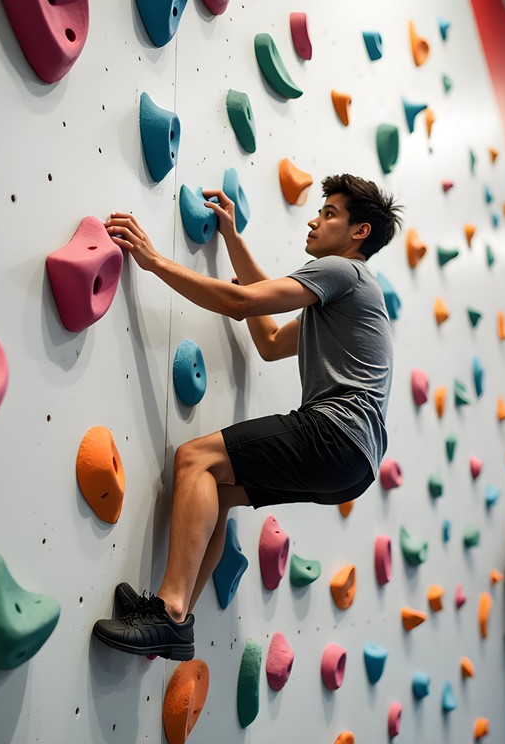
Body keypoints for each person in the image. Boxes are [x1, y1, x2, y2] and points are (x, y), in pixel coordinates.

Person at [91, 174, 403, 660]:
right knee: (214, 488)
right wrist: (233, 242)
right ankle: (174, 620)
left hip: (337, 433)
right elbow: (271, 340)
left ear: (359, 232)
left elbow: (241, 303)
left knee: (195, 459)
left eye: (330, 213)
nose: (315, 220)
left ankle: (169, 611)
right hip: (354, 466)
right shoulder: (347, 296)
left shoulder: (344, 272)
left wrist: (153, 262)